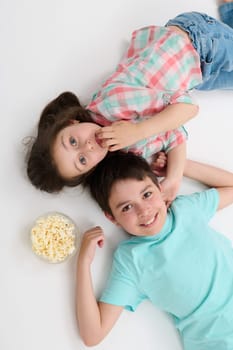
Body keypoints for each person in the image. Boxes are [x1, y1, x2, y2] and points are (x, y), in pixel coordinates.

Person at [27, 1, 233, 200]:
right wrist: (173, 179)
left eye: (73, 141)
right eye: (82, 160)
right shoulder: (127, 147)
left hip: (199, 41)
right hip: (197, 73)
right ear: (91, 169)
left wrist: (138, 131)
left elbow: (188, 108)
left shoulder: (110, 104)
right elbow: (175, 134)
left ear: (72, 123)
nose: (87, 146)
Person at [77, 151, 233, 350]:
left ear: (160, 189)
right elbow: (93, 335)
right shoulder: (131, 260)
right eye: (127, 208)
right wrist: (83, 263)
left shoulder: (185, 210)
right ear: (112, 218)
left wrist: (176, 167)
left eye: (147, 194)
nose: (144, 211)